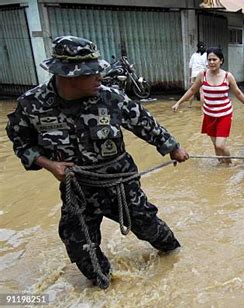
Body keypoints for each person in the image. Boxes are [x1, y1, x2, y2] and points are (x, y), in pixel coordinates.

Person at [5, 36, 189, 289]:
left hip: (120, 184)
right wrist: (49, 165)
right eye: (92, 73)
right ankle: (106, 289)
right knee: (79, 246)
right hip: (78, 189)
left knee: (150, 228)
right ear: (69, 76)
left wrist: (173, 147)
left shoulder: (111, 98)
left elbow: (144, 122)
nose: (99, 77)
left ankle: (177, 262)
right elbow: (21, 144)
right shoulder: (31, 104)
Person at [172, 47, 244, 164]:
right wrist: (178, 103)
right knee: (215, 145)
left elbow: (238, 93)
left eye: (214, 59)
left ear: (221, 60)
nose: (212, 62)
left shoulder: (227, 76)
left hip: (224, 115)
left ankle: (228, 164)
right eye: (209, 60)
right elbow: (192, 90)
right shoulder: (202, 75)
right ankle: (220, 164)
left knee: (220, 145)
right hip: (209, 115)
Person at [188, 41, 208, 106]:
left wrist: (190, 76)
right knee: (202, 91)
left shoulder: (194, 55)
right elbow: (207, 66)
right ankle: (202, 107)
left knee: (192, 91)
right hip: (202, 74)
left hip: (194, 74)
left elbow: (190, 67)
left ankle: (189, 105)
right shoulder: (206, 55)